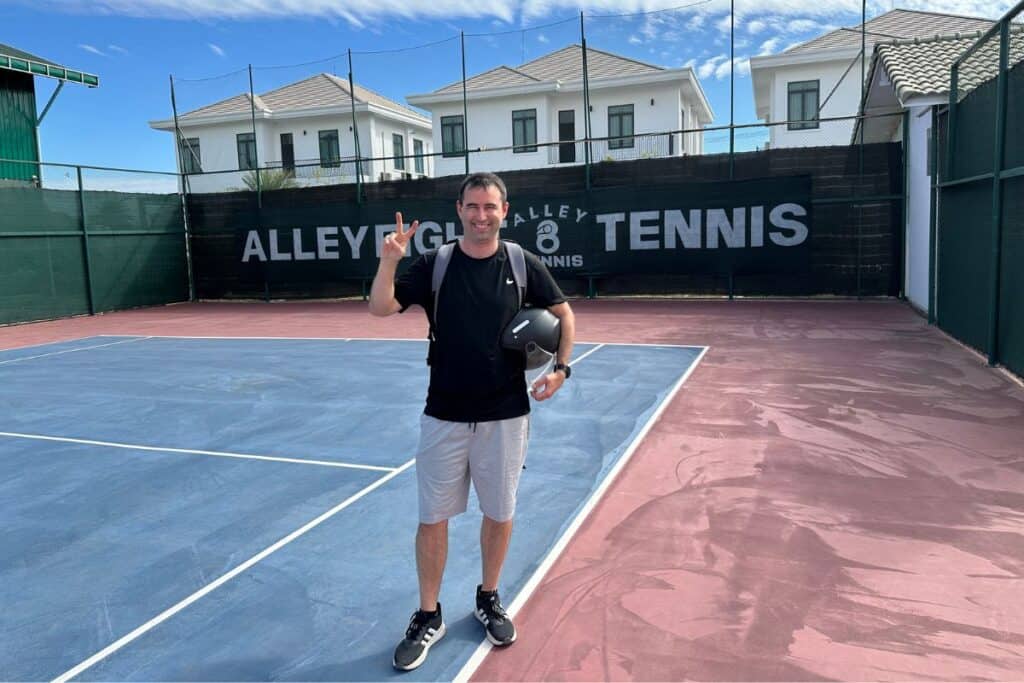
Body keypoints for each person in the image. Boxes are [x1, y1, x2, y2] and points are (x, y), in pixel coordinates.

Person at [369, 172, 575, 672]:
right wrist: (389, 260)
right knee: (432, 518)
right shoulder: (434, 265)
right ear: (458, 209)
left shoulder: (523, 264)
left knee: (499, 512)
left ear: (505, 211)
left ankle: (488, 597)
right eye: (472, 206)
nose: (481, 216)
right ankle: (428, 614)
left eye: (490, 207)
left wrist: (561, 368)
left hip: (506, 415)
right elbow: (380, 307)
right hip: (443, 414)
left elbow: (563, 314)